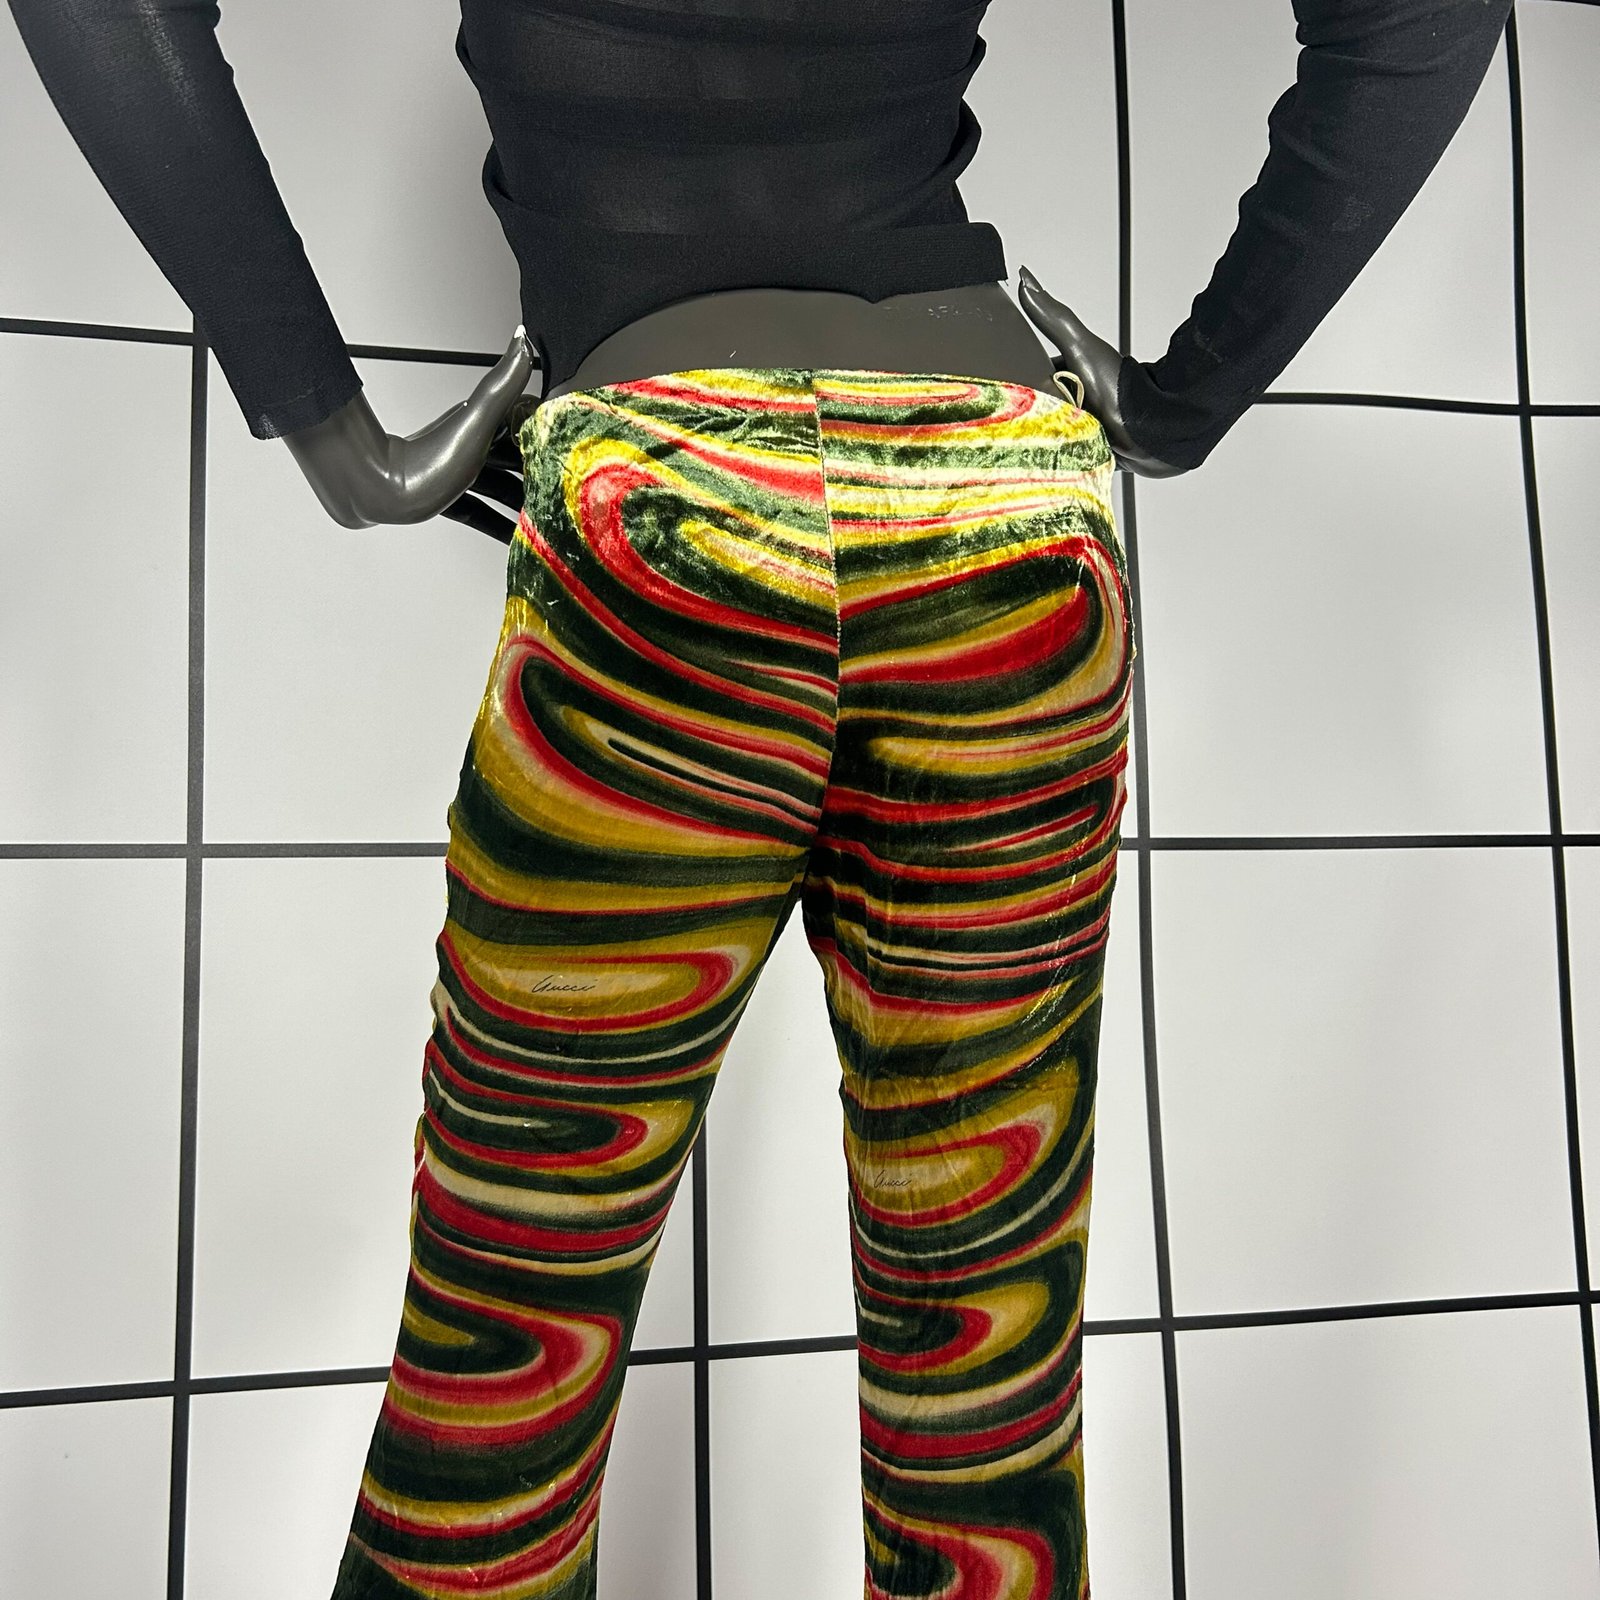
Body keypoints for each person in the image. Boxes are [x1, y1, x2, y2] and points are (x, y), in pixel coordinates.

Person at [8, 1, 1516, 1595]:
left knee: (502, 1380)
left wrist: (321, 416)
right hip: (1005, 525)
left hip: (667, 519)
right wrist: (1189, 397)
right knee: (986, 1385)